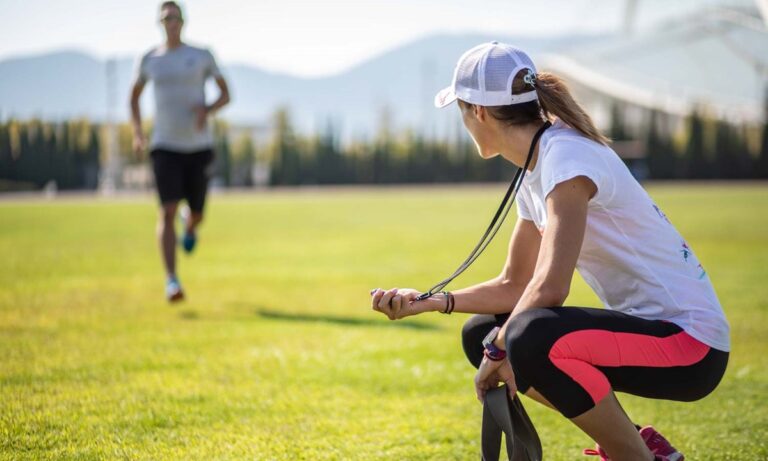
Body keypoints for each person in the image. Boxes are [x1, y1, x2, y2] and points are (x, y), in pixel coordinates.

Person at [370, 42, 729, 461]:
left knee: (527, 336)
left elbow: (550, 288)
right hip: (658, 336)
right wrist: (430, 302)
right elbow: (514, 285)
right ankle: (640, 447)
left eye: (461, 110)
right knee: (480, 333)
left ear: (479, 112)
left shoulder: (566, 156)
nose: (463, 121)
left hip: (692, 347)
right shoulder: (538, 166)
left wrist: (499, 350)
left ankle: (636, 456)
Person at [130, 1, 230, 302]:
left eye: (175, 17)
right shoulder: (150, 59)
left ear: (183, 21)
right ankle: (172, 280)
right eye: (165, 18)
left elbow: (226, 93)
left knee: (197, 213)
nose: (170, 22)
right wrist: (137, 132)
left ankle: (191, 224)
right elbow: (133, 98)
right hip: (164, 146)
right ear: (160, 23)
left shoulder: (200, 56)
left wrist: (208, 109)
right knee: (167, 209)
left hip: (198, 147)